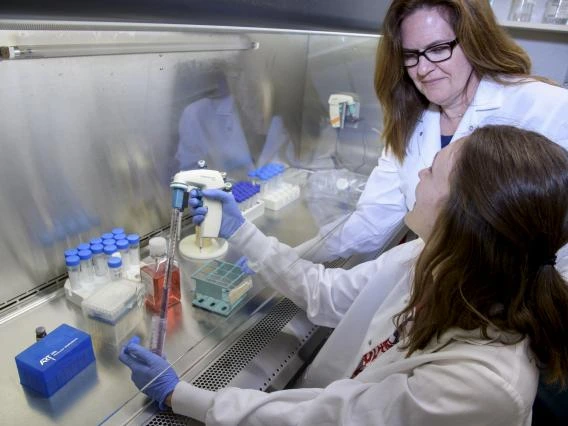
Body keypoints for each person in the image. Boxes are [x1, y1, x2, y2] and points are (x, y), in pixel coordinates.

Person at [120, 125, 568, 425]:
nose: (420, 173)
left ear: (466, 216)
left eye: (433, 170)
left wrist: (181, 396)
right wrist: (242, 232)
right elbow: (327, 293)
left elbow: (325, 421)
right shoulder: (434, 260)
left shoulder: (480, 384)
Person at [294, 0, 568, 266]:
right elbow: (372, 221)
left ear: (475, 41)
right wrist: (290, 257)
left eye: (438, 49)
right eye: (410, 55)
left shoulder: (549, 108)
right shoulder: (411, 121)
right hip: (448, 287)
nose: (422, 69)